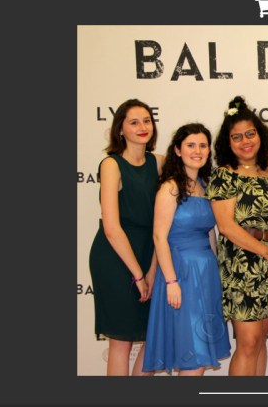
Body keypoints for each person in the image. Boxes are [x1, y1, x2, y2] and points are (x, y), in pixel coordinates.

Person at [207, 96, 268, 376]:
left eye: (250, 134)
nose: (245, 141)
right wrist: (265, 250)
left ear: (260, 135)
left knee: (260, 340)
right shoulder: (224, 176)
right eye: (237, 137)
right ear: (228, 142)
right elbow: (226, 226)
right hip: (242, 265)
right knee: (247, 343)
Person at [143, 123, 231, 375]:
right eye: (191, 145)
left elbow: (210, 232)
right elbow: (159, 237)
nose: (197, 151)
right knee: (193, 356)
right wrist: (171, 281)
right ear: (178, 150)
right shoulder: (170, 187)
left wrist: (217, 272)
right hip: (181, 274)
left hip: (206, 274)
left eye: (203, 145)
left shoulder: (205, 185)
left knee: (200, 354)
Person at [88, 98, 163, 375]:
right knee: (121, 342)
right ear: (120, 129)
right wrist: (138, 275)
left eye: (147, 121)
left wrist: (152, 269)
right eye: (134, 122)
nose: (143, 127)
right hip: (116, 258)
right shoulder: (111, 164)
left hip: (149, 252)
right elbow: (112, 228)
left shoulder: (159, 162)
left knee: (153, 335)